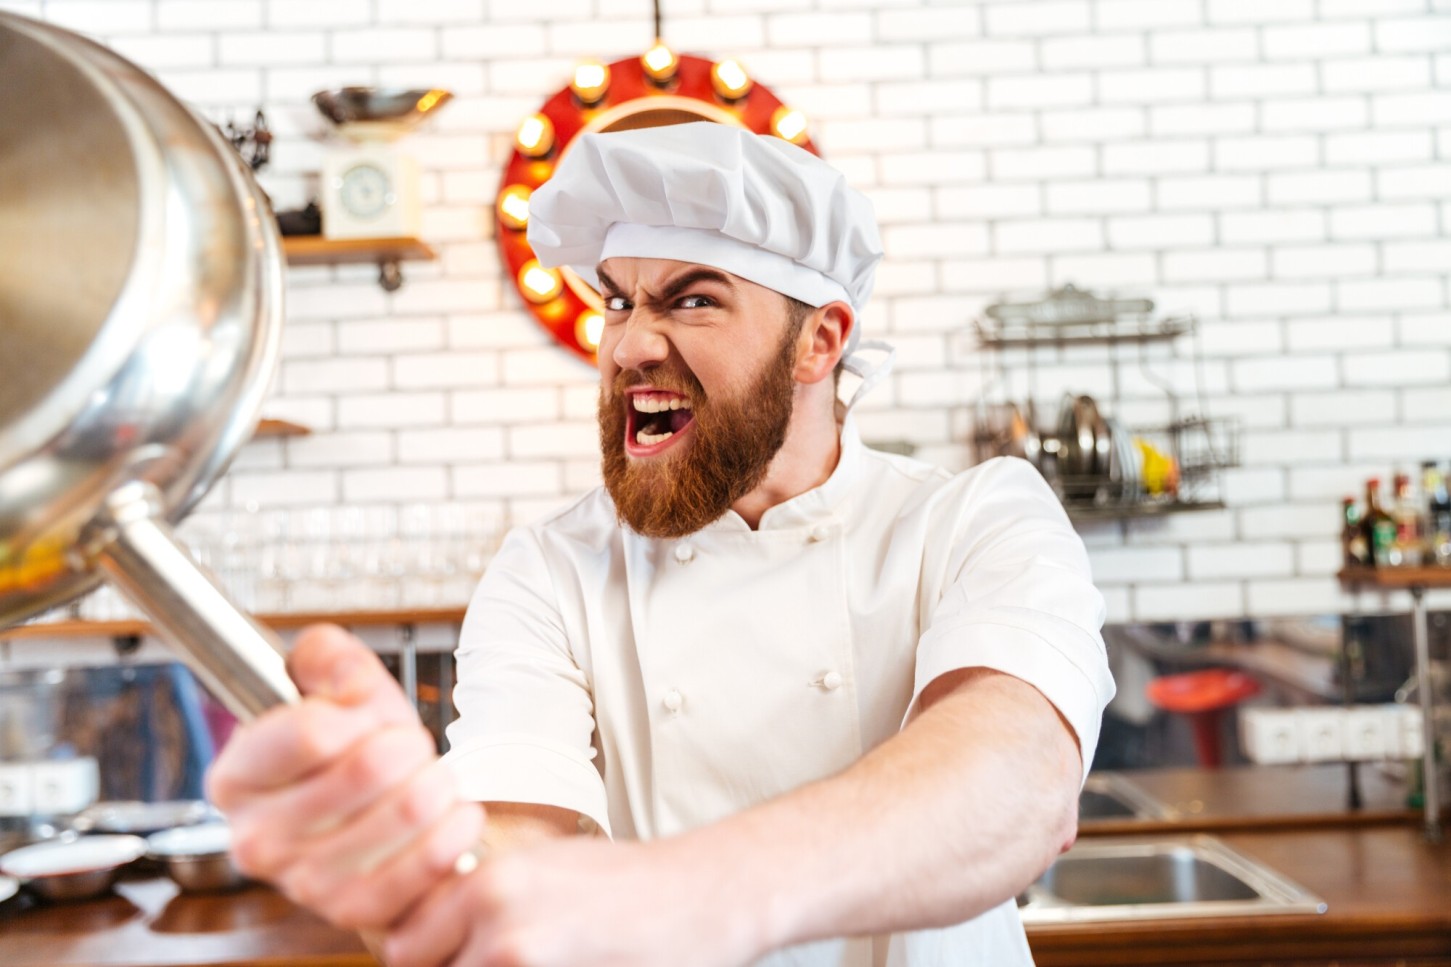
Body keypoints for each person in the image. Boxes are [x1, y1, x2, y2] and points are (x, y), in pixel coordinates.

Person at [208, 121, 1115, 967]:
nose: (630, 344)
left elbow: (1011, 777)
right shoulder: (552, 571)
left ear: (820, 341)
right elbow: (519, 836)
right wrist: (428, 856)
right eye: (617, 301)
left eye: (693, 299)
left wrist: (672, 896)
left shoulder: (974, 519)